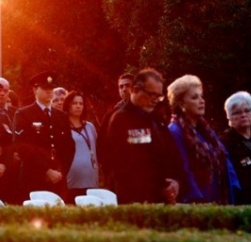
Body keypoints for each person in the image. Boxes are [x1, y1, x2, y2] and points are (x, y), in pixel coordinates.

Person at [108, 68, 183, 204]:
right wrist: (160, 184)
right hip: (137, 200)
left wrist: (175, 181)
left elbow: (171, 153)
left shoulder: (157, 118)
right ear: (136, 90)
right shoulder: (121, 119)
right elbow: (127, 164)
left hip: (162, 197)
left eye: (159, 96)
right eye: (151, 95)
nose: (155, 100)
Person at [167, 75, 237, 204]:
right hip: (199, 202)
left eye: (201, 96)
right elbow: (184, 169)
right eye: (194, 97)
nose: (202, 101)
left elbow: (224, 156)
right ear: (181, 104)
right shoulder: (175, 131)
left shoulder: (206, 130)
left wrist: (234, 184)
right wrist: (197, 199)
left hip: (221, 197)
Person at [13, 71, 75, 203]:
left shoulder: (61, 116)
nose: (49, 92)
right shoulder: (24, 114)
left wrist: (60, 171)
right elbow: (22, 146)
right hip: (33, 178)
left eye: (51, 88)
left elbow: (69, 147)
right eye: (45, 88)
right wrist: (46, 171)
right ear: (35, 89)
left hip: (58, 179)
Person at [99, 73, 134, 188]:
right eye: (121, 86)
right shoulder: (111, 115)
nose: (124, 89)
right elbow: (102, 144)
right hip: (118, 176)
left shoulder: (146, 113)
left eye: (128, 85)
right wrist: (109, 169)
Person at [63, 91, 99, 202]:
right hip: (71, 181)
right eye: (74, 103)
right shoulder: (63, 127)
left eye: (81, 103)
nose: (78, 106)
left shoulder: (90, 126)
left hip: (90, 179)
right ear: (68, 105)